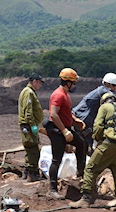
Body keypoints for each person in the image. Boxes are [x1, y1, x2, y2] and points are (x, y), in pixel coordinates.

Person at [69, 92, 116, 210]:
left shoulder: (104, 107)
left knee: (90, 169)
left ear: (103, 101)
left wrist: (96, 139)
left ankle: (85, 199)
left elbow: (98, 126)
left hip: (107, 145)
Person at [44, 68, 87, 200]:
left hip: (66, 127)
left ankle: (80, 173)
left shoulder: (65, 94)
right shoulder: (58, 95)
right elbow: (53, 114)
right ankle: (52, 189)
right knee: (57, 158)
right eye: (73, 83)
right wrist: (64, 130)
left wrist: (75, 120)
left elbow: (65, 112)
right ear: (67, 82)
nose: (74, 86)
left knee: (81, 144)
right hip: (57, 130)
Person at [72, 72, 116, 155]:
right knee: (91, 143)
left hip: (81, 117)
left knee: (84, 145)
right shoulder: (103, 91)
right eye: (113, 85)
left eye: (115, 86)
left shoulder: (100, 91)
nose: (114, 88)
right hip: (84, 118)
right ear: (106, 84)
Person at [18, 73, 45, 182]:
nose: (40, 85)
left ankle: (27, 171)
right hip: (28, 125)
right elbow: (28, 111)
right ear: (34, 81)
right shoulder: (28, 92)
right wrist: (33, 125)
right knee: (33, 150)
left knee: (30, 149)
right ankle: (32, 173)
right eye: (39, 83)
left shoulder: (30, 92)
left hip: (29, 125)